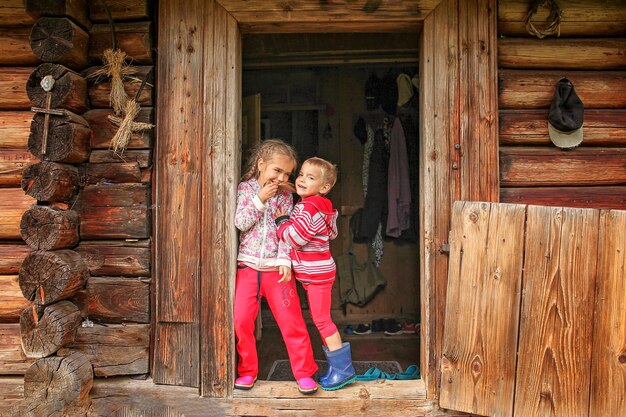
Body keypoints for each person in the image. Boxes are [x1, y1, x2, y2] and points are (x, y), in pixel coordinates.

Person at [234, 139, 318, 395]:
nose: (281, 178)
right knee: (241, 322)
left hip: (277, 271)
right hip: (248, 267)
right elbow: (241, 222)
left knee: (291, 323)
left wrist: (285, 260)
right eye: (276, 170)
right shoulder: (245, 189)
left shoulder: (285, 196)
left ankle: (304, 373)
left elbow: (287, 232)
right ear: (261, 165)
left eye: (286, 173)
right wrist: (259, 199)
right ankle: (247, 371)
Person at [275, 157, 357, 391]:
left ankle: (343, 371)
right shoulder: (323, 207)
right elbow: (330, 235)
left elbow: (296, 238)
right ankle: (337, 367)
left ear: (324, 188)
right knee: (321, 319)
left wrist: (282, 222)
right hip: (319, 272)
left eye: (310, 178)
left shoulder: (307, 207)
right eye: (301, 174)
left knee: (322, 320)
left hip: (316, 275)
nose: (301, 180)